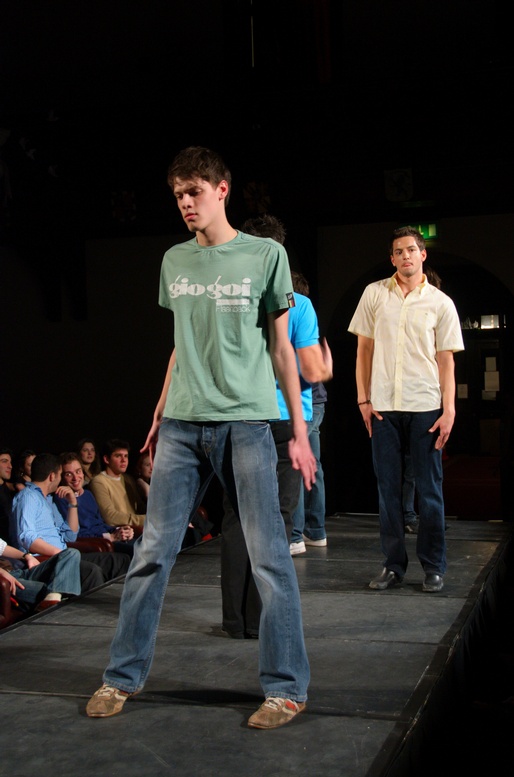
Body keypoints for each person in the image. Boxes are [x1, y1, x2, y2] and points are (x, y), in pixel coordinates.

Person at [86, 146, 315, 729]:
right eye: (178, 195)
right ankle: (121, 677)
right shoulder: (174, 260)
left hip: (246, 420)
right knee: (151, 554)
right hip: (184, 425)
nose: (186, 203)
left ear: (221, 190)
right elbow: (181, 342)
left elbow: (282, 349)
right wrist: (160, 409)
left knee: (269, 556)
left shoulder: (266, 255)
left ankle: (286, 689)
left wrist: (298, 430)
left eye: (194, 192)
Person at [219, 219, 332, 640]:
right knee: (278, 516)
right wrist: (326, 366)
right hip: (282, 419)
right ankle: (261, 617)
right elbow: (310, 368)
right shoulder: (298, 304)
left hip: (238, 416)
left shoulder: (228, 300)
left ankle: (235, 620)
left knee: (236, 517)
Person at [348, 226, 464, 593]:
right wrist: (363, 399)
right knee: (388, 491)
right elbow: (363, 351)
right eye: (399, 251)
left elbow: (446, 361)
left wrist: (449, 409)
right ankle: (393, 565)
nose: (405, 256)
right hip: (383, 407)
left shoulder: (440, 303)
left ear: (423, 254)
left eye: (411, 249)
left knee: (429, 491)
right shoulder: (374, 294)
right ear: (392, 258)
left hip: (425, 406)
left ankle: (434, 566)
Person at [12, 453, 130, 592]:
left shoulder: (48, 500)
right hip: (44, 561)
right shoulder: (28, 497)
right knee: (91, 571)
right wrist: (62, 554)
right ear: (52, 476)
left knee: (120, 561)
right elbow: (26, 537)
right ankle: (92, 606)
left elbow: (70, 536)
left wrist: (72, 503)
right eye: (61, 474)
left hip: (64, 557)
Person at [55, 453, 136, 556]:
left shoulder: (88, 494)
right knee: (138, 552)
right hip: (98, 543)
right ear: (62, 478)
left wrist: (120, 530)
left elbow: (100, 523)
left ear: (83, 473)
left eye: (78, 471)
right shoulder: (61, 499)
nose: (75, 478)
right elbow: (75, 534)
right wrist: (109, 537)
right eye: (69, 474)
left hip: (107, 538)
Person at [0, 535, 81, 612]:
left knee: (71, 553)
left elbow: (2, 547)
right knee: (53, 589)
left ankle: (54, 595)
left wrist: (27, 556)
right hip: (4, 582)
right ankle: (54, 596)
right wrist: (2, 572)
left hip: (16, 572)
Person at [89, 440, 145, 529]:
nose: (123, 460)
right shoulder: (99, 482)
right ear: (106, 459)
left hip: (136, 529)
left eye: (126, 456)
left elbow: (140, 507)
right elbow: (110, 517)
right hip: (119, 532)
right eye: (118, 456)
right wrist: (145, 520)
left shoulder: (128, 479)